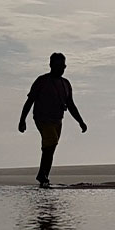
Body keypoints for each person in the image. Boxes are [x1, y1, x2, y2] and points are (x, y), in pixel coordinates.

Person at [18, 52, 87, 188]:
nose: (61, 68)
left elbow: (71, 105)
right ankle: (42, 175)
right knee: (51, 142)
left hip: (57, 120)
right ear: (51, 65)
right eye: (58, 65)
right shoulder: (41, 81)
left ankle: (44, 175)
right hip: (42, 118)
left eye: (63, 66)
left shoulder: (66, 84)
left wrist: (80, 121)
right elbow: (30, 101)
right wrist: (22, 120)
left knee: (50, 147)